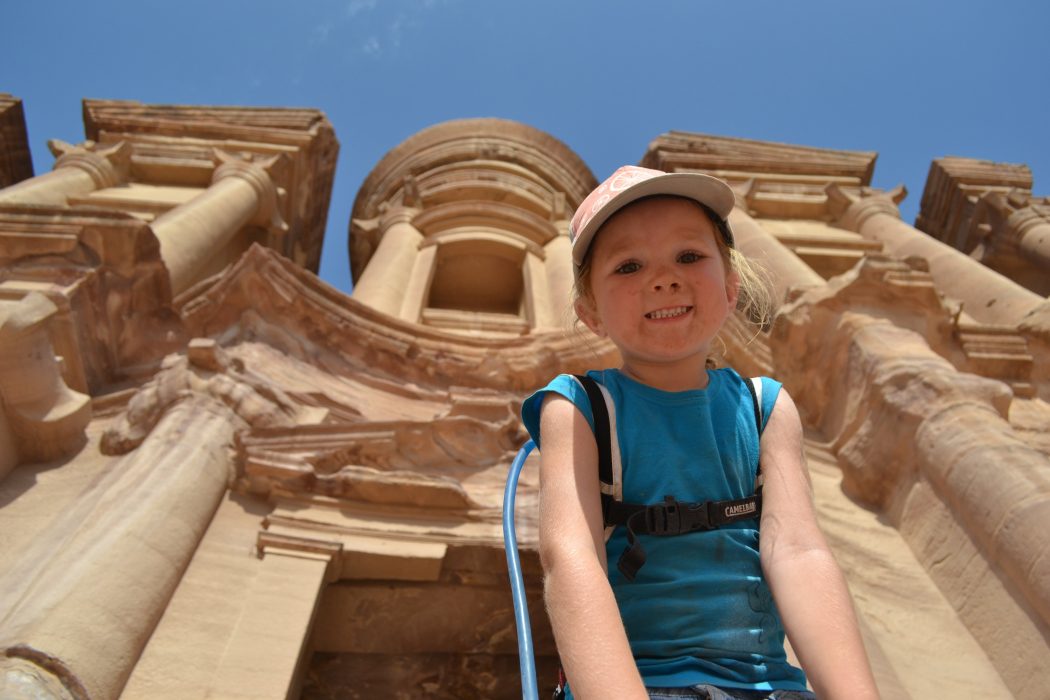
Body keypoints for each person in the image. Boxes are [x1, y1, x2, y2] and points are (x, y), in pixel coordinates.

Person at [520, 165, 879, 700]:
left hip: (771, 687)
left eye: (688, 256)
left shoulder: (766, 407)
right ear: (589, 313)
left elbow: (797, 551)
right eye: (628, 265)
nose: (663, 278)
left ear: (731, 287)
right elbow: (570, 558)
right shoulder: (576, 406)